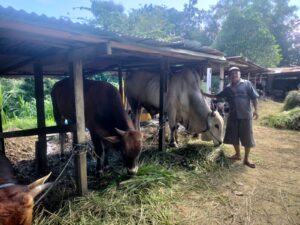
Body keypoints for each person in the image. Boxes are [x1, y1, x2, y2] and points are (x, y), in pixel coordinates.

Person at [202, 66, 259, 168]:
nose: (234, 75)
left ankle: (246, 159)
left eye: (236, 73)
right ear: (229, 76)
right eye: (232, 74)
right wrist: (204, 94)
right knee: (233, 137)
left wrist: (256, 110)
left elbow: (254, 98)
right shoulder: (228, 89)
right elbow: (217, 96)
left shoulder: (247, 84)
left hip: (246, 115)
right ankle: (237, 154)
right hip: (233, 116)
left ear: (239, 74)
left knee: (247, 138)